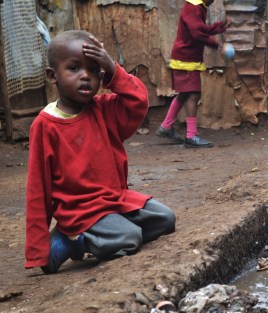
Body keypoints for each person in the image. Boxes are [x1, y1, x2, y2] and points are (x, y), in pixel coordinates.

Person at [25, 30, 176, 274]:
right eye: (74, 68)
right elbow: (37, 188)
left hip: (116, 200)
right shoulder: (45, 125)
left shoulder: (103, 109)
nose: (85, 76)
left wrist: (113, 69)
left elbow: (138, 101)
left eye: (94, 70)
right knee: (130, 238)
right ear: (53, 76)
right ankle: (71, 240)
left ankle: (97, 235)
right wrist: (37, 248)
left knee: (166, 219)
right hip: (81, 211)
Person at [156, 0, 229, 148]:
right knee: (193, 94)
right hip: (186, 59)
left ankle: (166, 126)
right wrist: (216, 44)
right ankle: (191, 135)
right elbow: (197, 33)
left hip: (187, 58)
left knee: (184, 93)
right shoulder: (193, 7)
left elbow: (199, 29)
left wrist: (216, 28)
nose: (214, 0)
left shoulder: (196, 7)